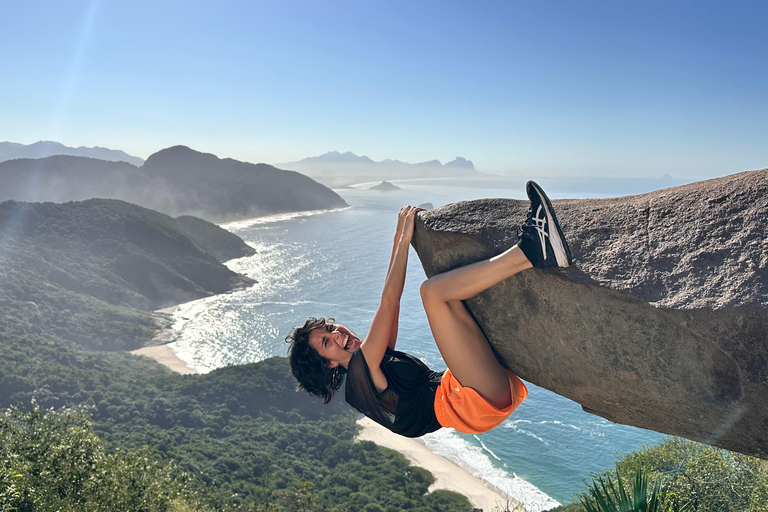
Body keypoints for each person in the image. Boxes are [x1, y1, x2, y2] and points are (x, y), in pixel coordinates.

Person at [286, 181, 572, 438]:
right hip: (469, 402)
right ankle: (532, 250)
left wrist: (402, 235)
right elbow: (390, 302)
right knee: (432, 293)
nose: (337, 334)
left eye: (331, 328)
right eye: (327, 342)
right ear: (329, 364)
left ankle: (535, 248)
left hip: (467, 393)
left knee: (451, 297)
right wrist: (403, 240)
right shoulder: (362, 372)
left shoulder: (373, 362)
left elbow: (388, 304)